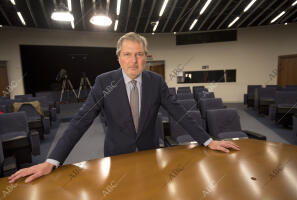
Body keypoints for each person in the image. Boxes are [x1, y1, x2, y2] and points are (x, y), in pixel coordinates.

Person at [9, 32, 239, 184]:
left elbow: (179, 113)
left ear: (145, 57)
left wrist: (208, 141)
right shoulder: (103, 82)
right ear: (118, 57)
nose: (134, 61)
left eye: (139, 54)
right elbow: (80, 121)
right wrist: (52, 161)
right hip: (117, 157)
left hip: (151, 155)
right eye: (127, 54)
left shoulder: (155, 82)